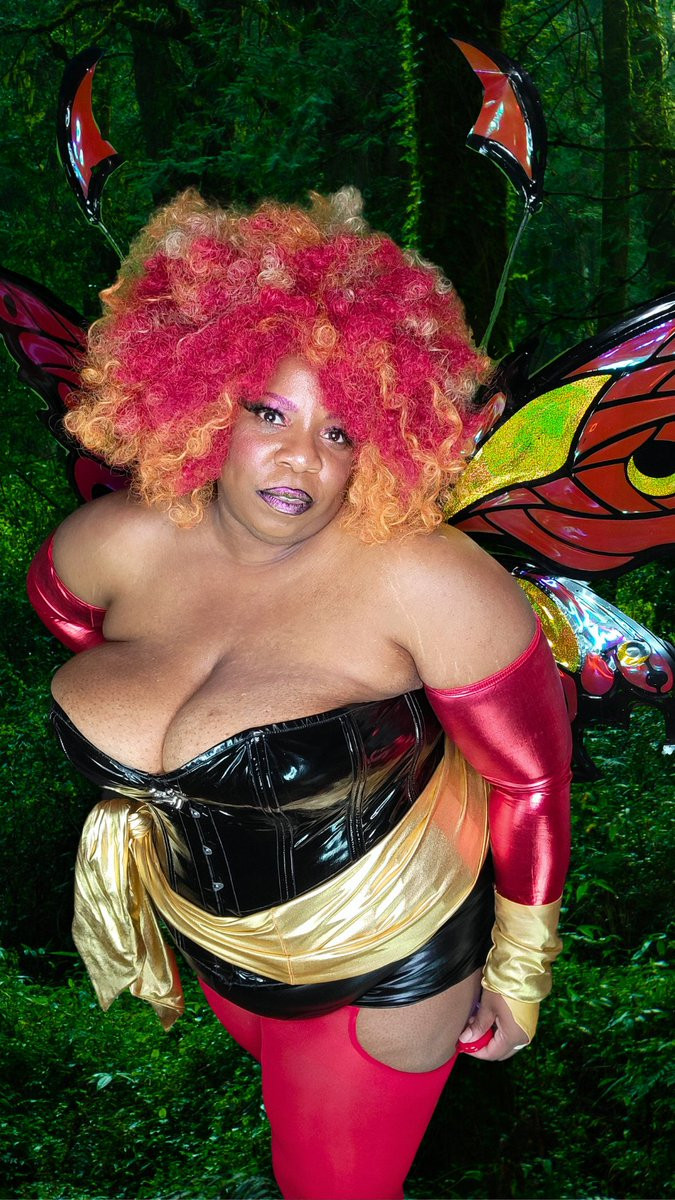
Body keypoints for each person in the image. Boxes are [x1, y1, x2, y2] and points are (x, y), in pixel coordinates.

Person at [27, 186, 571, 1200]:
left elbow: (533, 777)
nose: (300, 461)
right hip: (216, 948)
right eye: (269, 412)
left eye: (342, 432)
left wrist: (520, 971)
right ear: (196, 403)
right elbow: (101, 659)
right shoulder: (102, 555)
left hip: (386, 966)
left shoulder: (430, 581)